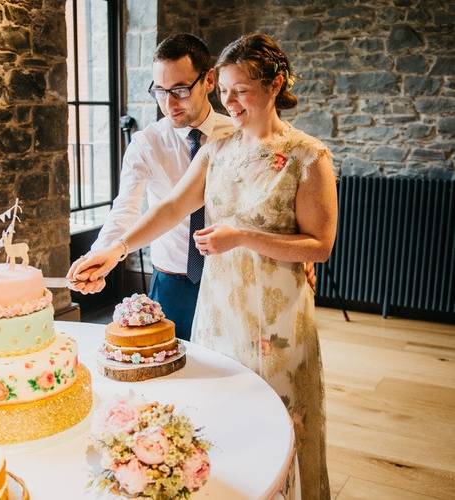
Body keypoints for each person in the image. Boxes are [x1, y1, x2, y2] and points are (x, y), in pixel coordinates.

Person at [70, 33, 336, 499]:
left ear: (275, 86)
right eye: (226, 90)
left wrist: (244, 237)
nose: (229, 102)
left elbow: (320, 246)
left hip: (278, 319)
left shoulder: (307, 156)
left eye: (240, 90)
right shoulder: (217, 149)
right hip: (219, 310)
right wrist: (113, 252)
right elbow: (171, 207)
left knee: (281, 418)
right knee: (223, 414)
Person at [71, 33, 234, 341]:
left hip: (230, 277)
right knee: (172, 374)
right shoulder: (146, 142)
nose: (168, 104)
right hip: (171, 280)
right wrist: (100, 256)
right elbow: (125, 208)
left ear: (209, 80)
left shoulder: (238, 135)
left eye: (180, 90)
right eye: (159, 91)